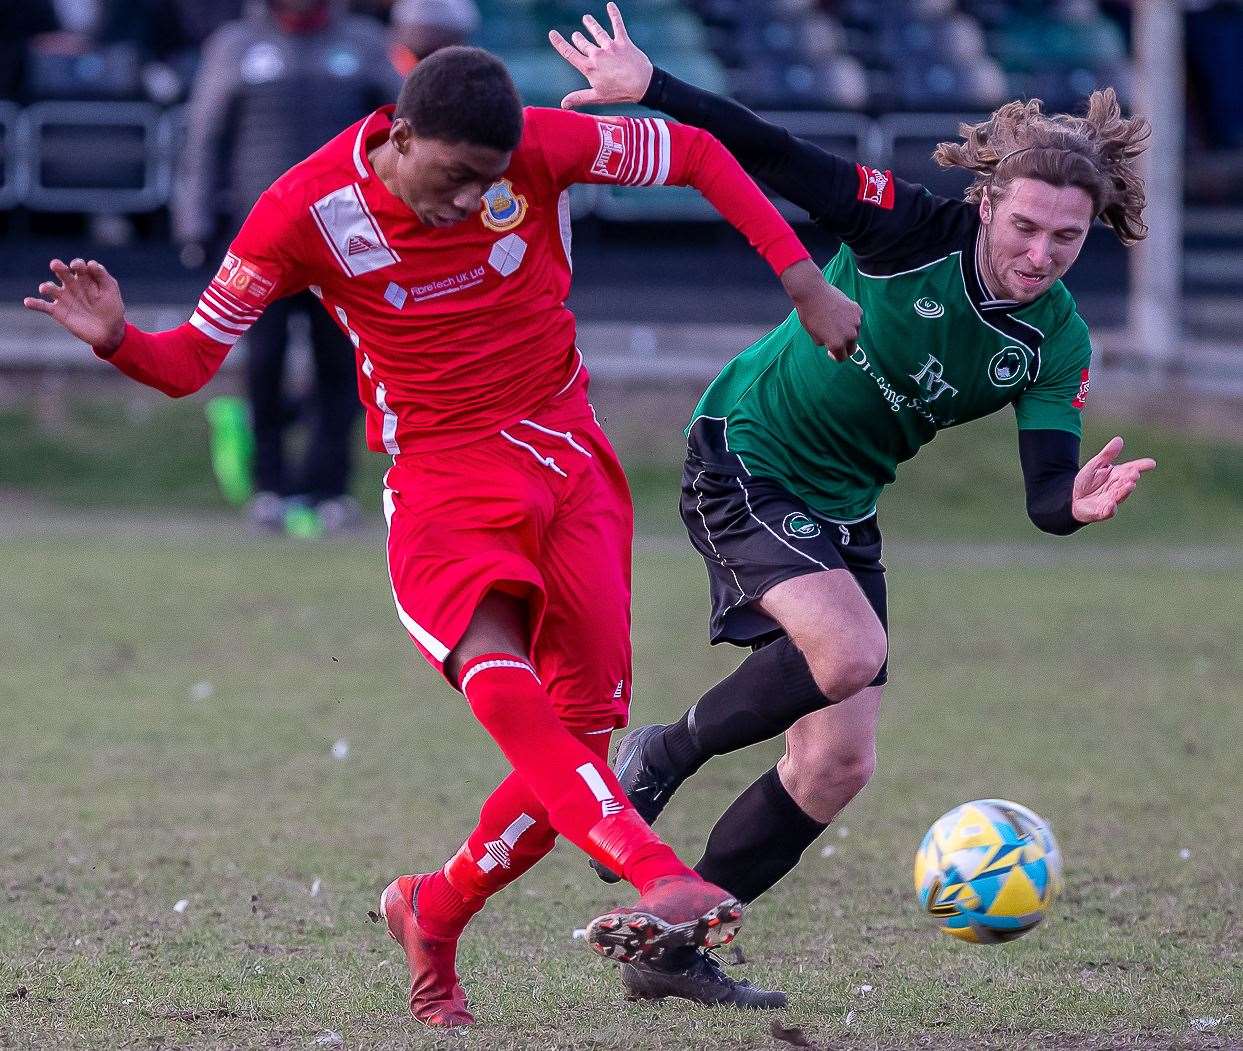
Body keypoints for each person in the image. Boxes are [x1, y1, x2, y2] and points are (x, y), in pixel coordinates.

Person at [24, 46, 860, 1026]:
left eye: (490, 182)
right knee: (502, 678)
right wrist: (120, 336)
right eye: (453, 177)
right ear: (401, 136)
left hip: (568, 456)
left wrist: (803, 282)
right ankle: (656, 871)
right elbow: (190, 362)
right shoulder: (301, 211)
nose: (470, 201)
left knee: (579, 740)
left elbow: (700, 156)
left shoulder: (539, 147)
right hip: (443, 476)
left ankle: (434, 906)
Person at [551, 2, 1157, 1007]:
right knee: (846, 651)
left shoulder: (1055, 343)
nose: (1042, 253)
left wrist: (1077, 505)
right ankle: (661, 750)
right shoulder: (905, 229)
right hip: (745, 450)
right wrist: (651, 87)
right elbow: (773, 148)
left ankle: (671, 945)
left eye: (1066, 237)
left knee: (836, 760)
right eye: (1024, 227)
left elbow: (1045, 496)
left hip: (841, 504)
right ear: (986, 206)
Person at [173, 0, 400, 532]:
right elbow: (203, 138)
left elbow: (404, 131)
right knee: (264, 364)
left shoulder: (363, 42)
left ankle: (329, 489)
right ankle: (269, 487)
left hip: (347, 232)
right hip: (261, 236)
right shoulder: (235, 45)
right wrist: (193, 220)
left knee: (342, 364)